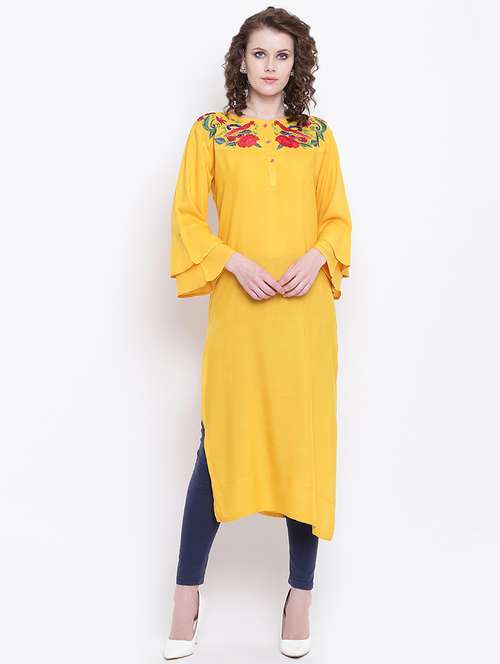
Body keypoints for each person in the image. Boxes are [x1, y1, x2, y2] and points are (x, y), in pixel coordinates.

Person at [164, 6, 352, 658]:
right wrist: (232, 261)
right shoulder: (210, 133)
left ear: (297, 66)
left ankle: (300, 597)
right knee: (218, 449)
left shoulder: (317, 137)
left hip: (303, 320)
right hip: (240, 318)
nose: (271, 65)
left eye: (282, 55)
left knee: (304, 449)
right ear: (241, 61)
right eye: (260, 53)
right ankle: (185, 594)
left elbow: (337, 220)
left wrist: (317, 257)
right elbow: (188, 218)